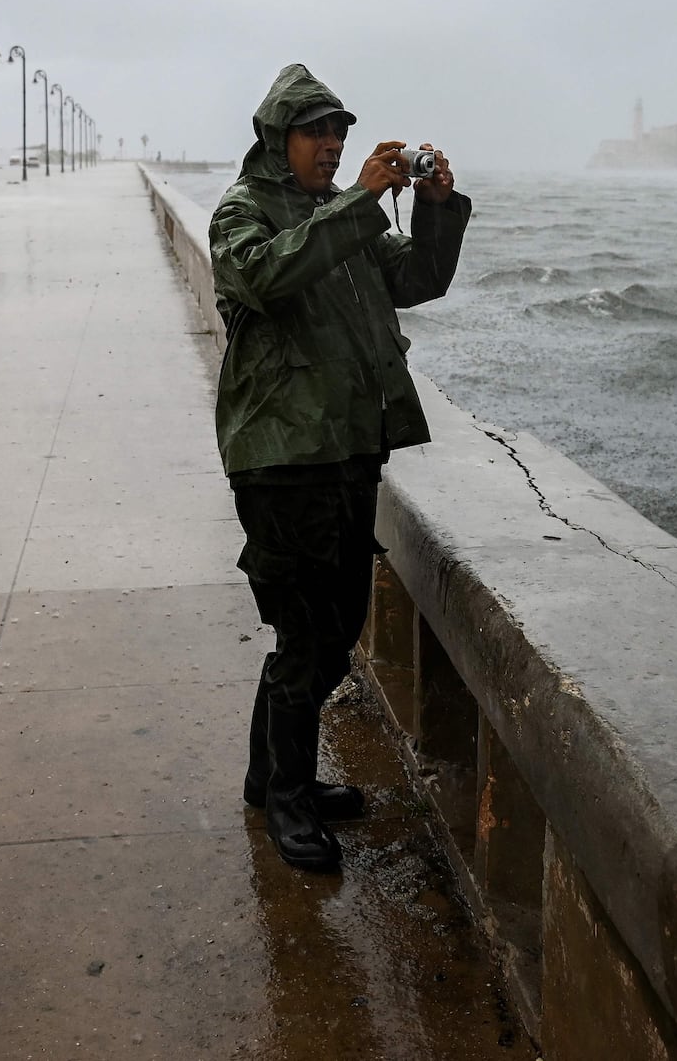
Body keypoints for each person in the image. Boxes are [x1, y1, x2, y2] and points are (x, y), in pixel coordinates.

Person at [209, 63, 471, 871]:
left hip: (349, 449)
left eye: (340, 133)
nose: (332, 145)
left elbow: (418, 279)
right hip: (281, 457)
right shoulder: (243, 213)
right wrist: (359, 201)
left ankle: (269, 775)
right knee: (307, 635)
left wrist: (432, 212)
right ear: (276, 137)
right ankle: (289, 798)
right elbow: (266, 274)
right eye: (316, 132)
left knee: (332, 627)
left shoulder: (340, 214)